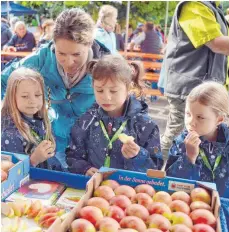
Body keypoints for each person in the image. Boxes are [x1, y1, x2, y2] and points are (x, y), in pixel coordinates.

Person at [1, 8, 110, 168]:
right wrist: (10, 119)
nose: (68, 62)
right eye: (61, 53)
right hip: (54, 146)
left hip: (90, 150)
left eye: (76, 55)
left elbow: (125, 107)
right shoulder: (41, 59)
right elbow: (5, 80)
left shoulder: (107, 68)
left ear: (89, 45)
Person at [66, 55, 163, 176]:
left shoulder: (145, 125)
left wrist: (138, 156)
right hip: (94, 189)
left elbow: (155, 169)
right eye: (100, 90)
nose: (106, 97)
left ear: (128, 88)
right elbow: (72, 156)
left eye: (113, 91)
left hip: (130, 190)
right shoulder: (86, 120)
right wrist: (84, 168)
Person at [161, 1, 229, 160]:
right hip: (189, 90)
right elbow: (217, 44)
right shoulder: (194, 5)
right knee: (178, 139)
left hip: (207, 90)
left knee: (202, 141)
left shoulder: (214, 9)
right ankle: (159, 176)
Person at [166, 82, 229, 198]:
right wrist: (189, 158)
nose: (191, 122)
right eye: (188, 114)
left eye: (200, 117)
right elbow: (171, 185)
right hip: (192, 209)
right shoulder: (181, 143)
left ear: (219, 119)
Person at [1, 67, 61, 170]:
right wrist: (34, 159)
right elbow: (11, 173)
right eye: (25, 96)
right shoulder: (9, 133)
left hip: (50, 177)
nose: (32, 101)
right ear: (12, 97)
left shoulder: (42, 119)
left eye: (37, 95)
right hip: (30, 183)